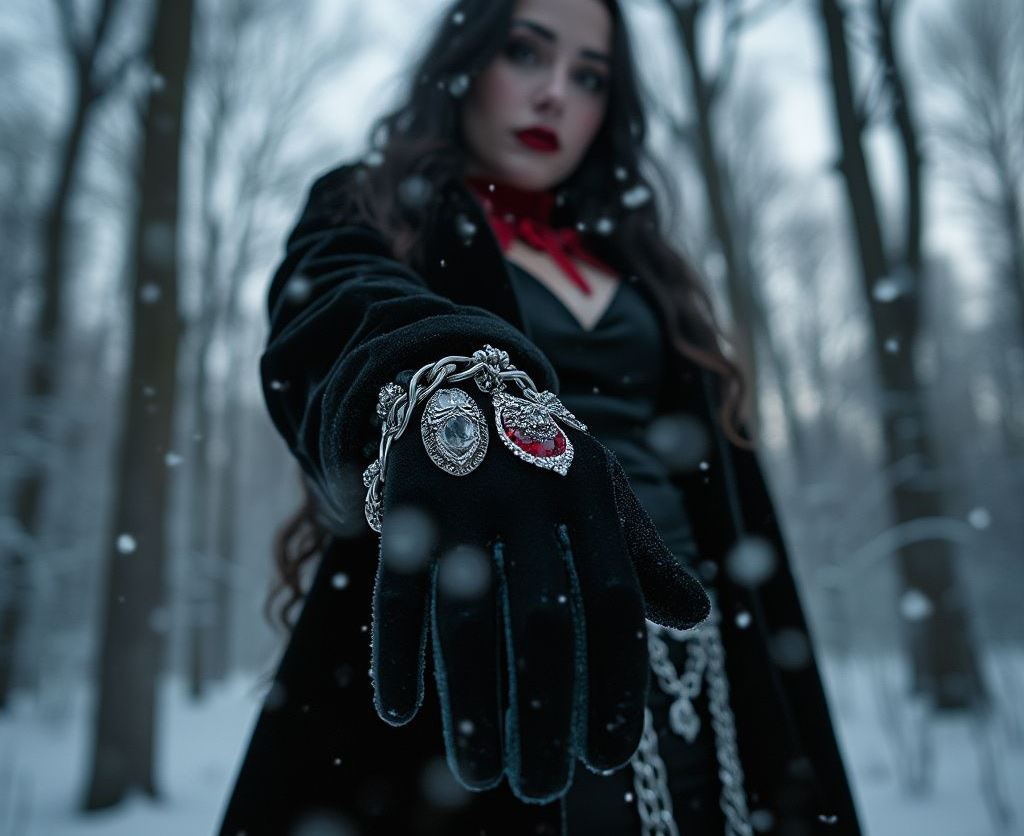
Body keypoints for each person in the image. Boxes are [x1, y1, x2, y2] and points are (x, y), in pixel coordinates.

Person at [217, 0, 864, 834]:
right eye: (527, 52)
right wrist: (448, 395)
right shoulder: (374, 208)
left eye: (589, 75)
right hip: (483, 678)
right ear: (469, 60)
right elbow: (335, 313)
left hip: (701, 684)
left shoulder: (641, 260)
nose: (556, 93)